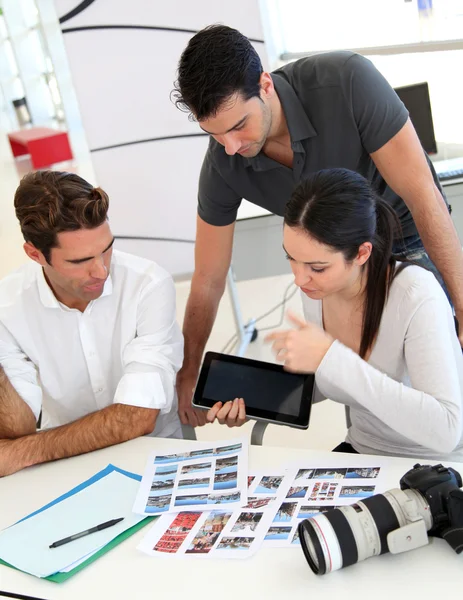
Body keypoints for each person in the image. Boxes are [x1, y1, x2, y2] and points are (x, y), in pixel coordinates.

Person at [172, 24, 463, 430]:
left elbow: (423, 195)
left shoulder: (346, 82)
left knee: (442, 379)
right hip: (333, 262)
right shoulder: (223, 161)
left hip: (407, 234)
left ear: (265, 84)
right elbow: (207, 277)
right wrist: (189, 370)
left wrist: (461, 300)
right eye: (215, 134)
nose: (231, 146)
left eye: (239, 126)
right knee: (364, 394)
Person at [207, 168, 463, 461]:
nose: (300, 280)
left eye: (317, 268)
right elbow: (333, 381)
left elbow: (446, 430)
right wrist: (253, 400)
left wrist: (330, 356)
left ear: (362, 253)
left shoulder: (415, 293)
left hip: (436, 465)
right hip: (365, 450)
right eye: (291, 258)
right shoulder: (317, 293)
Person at [0, 171, 183, 477]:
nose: (101, 271)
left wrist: (28, 450)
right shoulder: (7, 306)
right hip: (64, 469)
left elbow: (137, 416)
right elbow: (16, 427)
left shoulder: (148, 284)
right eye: (79, 261)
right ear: (35, 254)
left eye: (106, 248)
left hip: (153, 455)